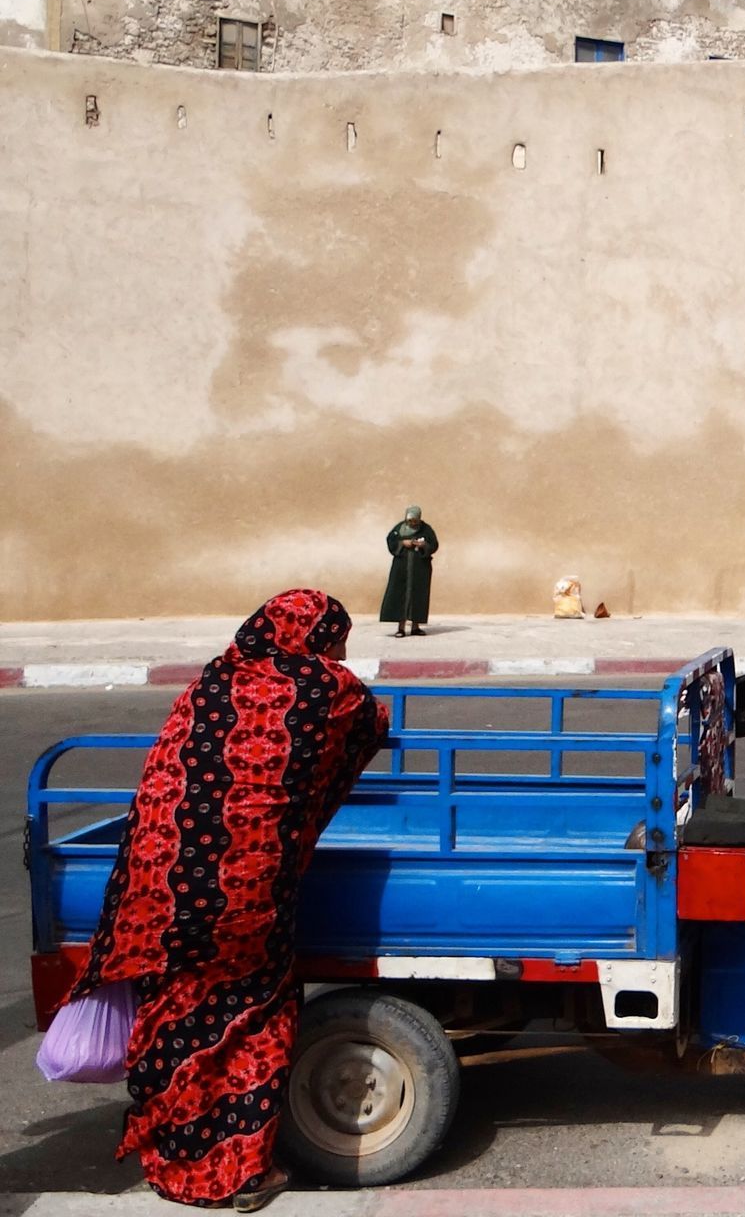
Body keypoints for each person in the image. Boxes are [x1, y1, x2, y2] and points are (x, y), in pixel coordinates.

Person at [62, 590, 389, 1210]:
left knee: (174, 1023)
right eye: (338, 637)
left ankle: (171, 1167)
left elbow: (169, 773)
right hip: (242, 901)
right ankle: (234, 1174)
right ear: (319, 635)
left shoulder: (208, 683)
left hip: (155, 893)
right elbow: (369, 729)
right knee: (248, 1023)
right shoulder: (328, 688)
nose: (343, 650)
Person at [379, 506, 439, 637]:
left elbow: (434, 544)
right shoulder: (399, 528)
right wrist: (402, 543)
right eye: (410, 520)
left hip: (420, 569)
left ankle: (415, 627)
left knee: (418, 596)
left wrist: (424, 545)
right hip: (401, 567)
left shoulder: (426, 529)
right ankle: (400, 628)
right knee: (400, 595)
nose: (412, 523)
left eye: (414, 521)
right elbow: (391, 540)